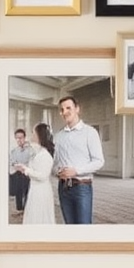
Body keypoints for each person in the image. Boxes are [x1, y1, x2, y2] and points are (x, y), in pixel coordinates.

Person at [53, 95, 104, 224]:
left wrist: (76, 171)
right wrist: (57, 172)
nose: (64, 112)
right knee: (69, 227)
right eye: (62, 109)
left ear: (77, 109)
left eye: (68, 108)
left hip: (82, 188)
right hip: (63, 188)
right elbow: (55, 163)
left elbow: (99, 161)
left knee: (84, 228)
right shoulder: (58, 136)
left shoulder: (90, 132)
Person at [21, 123, 57, 225]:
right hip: (35, 189)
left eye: (33, 132)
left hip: (41, 191)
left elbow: (43, 175)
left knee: (40, 218)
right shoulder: (38, 152)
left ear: (39, 135)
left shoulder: (45, 155)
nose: (31, 135)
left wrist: (26, 170)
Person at [8, 128, 31, 214]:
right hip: (18, 174)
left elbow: (32, 161)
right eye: (17, 138)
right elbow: (12, 162)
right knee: (18, 186)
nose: (19, 140)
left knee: (27, 190)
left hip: (27, 173)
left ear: (24, 138)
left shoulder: (30, 149)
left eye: (21, 137)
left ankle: (26, 208)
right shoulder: (14, 151)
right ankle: (19, 208)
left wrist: (24, 168)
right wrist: (16, 166)